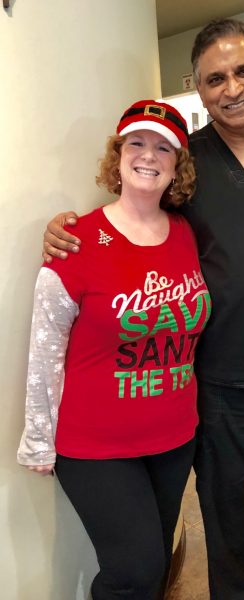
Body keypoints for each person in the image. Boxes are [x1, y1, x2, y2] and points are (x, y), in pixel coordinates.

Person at [42, 19, 244, 600]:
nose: (232, 88)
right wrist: (66, 227)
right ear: (198, 86)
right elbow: (136, 216)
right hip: (217, 379)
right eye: (215, 78)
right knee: (224, 516)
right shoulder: (186, 162)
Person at [18, 100, 211, 600]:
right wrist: (38, 437)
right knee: (135, 571)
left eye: (163, 148)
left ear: (177, 165)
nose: (148, 155)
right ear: (118, 155)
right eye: (136, 143)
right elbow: (45, 349)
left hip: (175, 436)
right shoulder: (76, 240)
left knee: (157, 562)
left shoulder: (187, 233)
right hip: (96, 446)